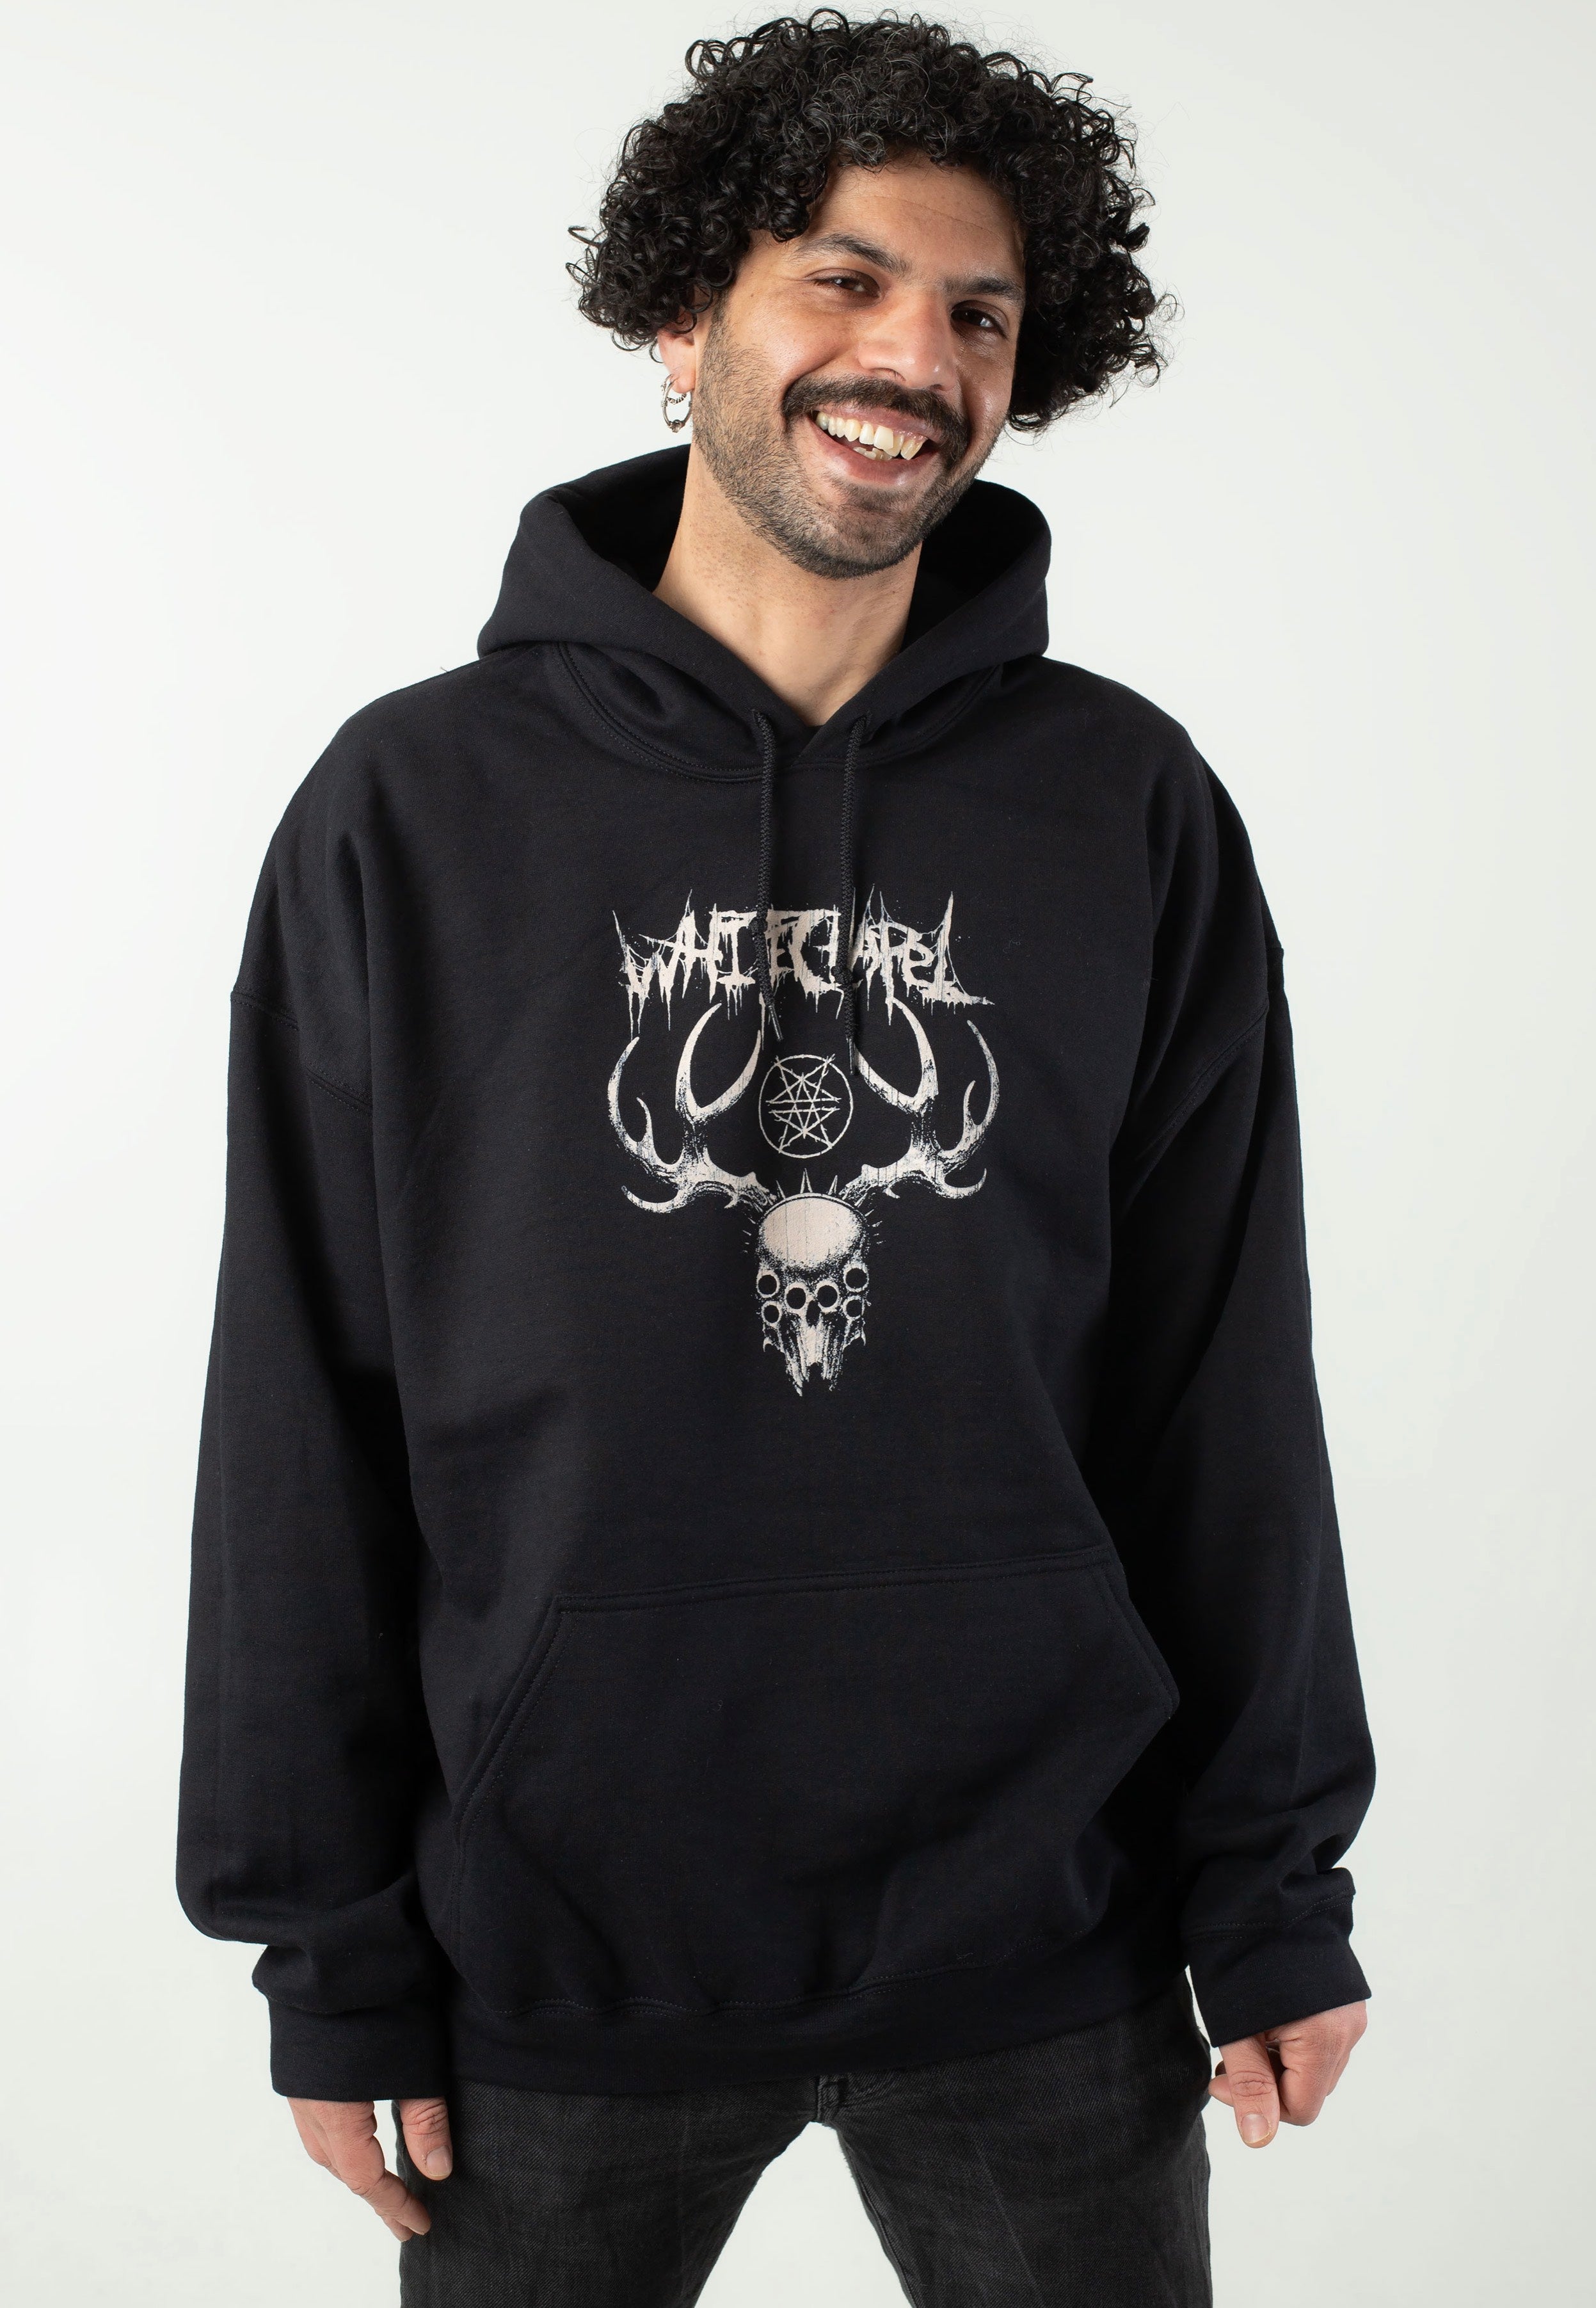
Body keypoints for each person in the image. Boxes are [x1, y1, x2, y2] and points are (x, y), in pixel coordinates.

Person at [178, 14, 1373, 2304]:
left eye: (980, 313)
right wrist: (326, 1951)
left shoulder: (1124, 807)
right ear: (679, 318)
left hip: (1046, 1932)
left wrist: (1272, 1885)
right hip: (550, 1948)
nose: (916, 357)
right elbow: (301, 1405)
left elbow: (1225, 1382)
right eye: (846, 279)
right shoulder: (411, 812)